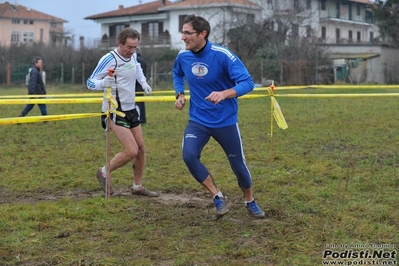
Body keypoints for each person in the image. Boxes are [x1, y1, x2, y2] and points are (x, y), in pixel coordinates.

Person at [173, 15, 265, 219]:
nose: (183, 37)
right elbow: (177, 73)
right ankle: (217, 196)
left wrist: (224, 93)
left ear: (202, 34)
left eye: (187, 33)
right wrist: (180, 93)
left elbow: (248, 83)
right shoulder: (183, 56)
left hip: (225, 121)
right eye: (183, 32)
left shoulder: (222, 55)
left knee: (238, 166)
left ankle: (249, 200)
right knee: (189, 156)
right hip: (198, 120)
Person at [86, 27, 158, 197]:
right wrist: (103, 83)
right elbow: (90, 82)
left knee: (140, 149)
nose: (132, 51)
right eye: (129, 47)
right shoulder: (109, 59)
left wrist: (144, 82)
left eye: (135, 47)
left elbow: (137, 68)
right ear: (119, 43)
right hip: (114, 110)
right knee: (131, 150)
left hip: (131, 108)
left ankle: (137, 186)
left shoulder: (132, 55)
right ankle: (104, 171)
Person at [135, 49, 147, 124]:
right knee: (141, 103)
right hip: (141, 85)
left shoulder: (134, 60)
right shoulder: (143, 60)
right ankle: (142, 119)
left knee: (135, 104)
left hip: (134, 85)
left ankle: (137, 119)